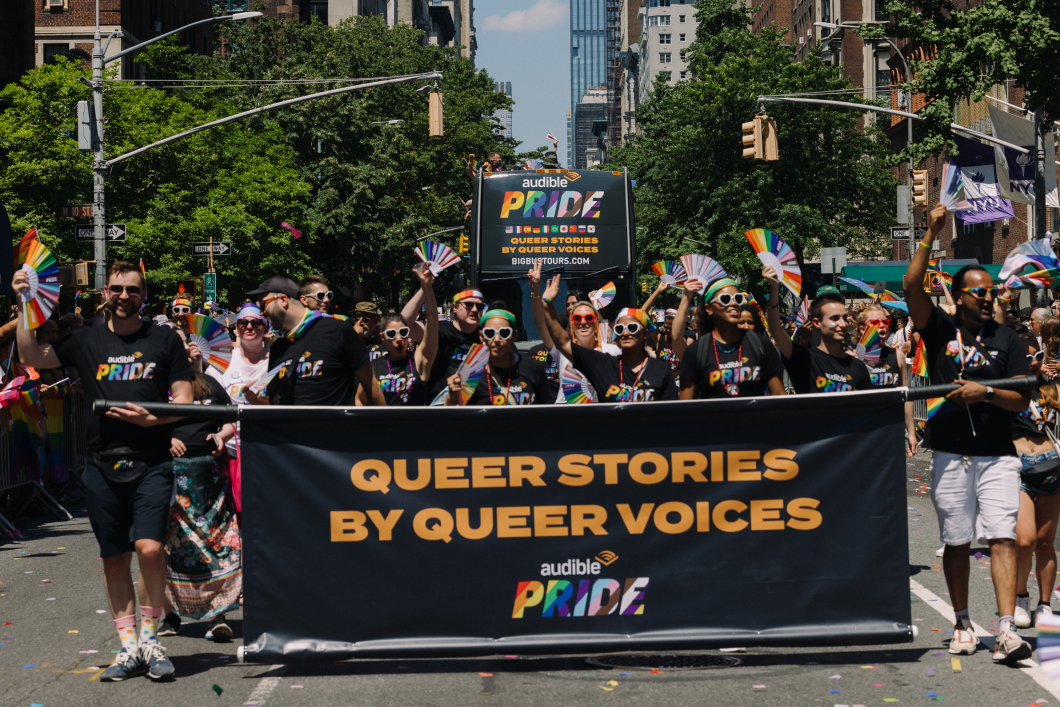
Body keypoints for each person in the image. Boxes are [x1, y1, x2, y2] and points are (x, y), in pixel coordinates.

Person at [12, 260, 194, 681]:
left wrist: (153, 421)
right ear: (106, 293)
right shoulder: (84, 339)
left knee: (149, 549)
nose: (124, 296)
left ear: (144, 294)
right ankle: (128, 648)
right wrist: (24, 302)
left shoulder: (164, 339)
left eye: (132, 289)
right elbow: (29, 354)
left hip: (152, 461)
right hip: (99, 463)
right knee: (114, 559)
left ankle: (152, 640)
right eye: (117, 289)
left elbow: (185, 398)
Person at [906, 203, 1034, 662]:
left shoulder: (1008, 340)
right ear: (959, 296)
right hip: (950, 455)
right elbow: (910, 286)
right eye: (978, 292)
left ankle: (1004, 630)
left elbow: (1023, 398)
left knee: (1002, 537)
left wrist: (987, 394)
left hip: (999, 454)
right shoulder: (938, 330)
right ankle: (961, 621)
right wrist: (931, 232)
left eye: (991, 291)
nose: (987, 297)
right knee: (957, 541)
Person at [160, 329, 239, 642]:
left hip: (209, 478)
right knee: (172, 546)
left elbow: (233, 417)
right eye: (180, 341)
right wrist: (165, 439)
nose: (189, 344)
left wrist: (221, 435)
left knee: (215, 543)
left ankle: (217, 615)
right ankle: (171, 615)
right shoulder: (160, 386)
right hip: (171, 476)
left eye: (190, 340)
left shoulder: (210, 382)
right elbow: (142, 421)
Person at [537, 271, 677, 402]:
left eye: (632, 328)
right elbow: (563, 342)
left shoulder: (661, 371)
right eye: (620, 329)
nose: (626, 333)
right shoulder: (603, 364)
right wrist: (546, 304)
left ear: (645, 333)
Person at [244, 276, 385, 407]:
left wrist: (384, 430)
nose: (261, 313)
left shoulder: (337, 330)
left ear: (283, 300)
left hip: (337, 432)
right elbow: (276, 403)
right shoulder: (278, 349)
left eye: (263, 305)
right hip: (291, 433)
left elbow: (371, 385)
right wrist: (255, 399)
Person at [1009, 334, 1060, 628]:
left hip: (1051, 464)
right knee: (1024, 541)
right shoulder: (1010, 390)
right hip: (1018, 466)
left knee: (1044, 542)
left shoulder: (1053, 389)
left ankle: (1044, 604)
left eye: (1037, 356)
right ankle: (1020, 598)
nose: (1032, 362)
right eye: (1026, 357)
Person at [764, 268, 871, 394]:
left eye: (844, 317)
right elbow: (776, 329)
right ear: (817, 322)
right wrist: (775, 287)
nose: (842, 324)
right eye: (834, 318)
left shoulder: (858, 367)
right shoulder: (805, 359)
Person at [678, 277, 785, 399]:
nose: (733, 303)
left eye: (738, 299)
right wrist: (686, 296)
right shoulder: (695, 352)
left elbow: (779, 396)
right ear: (709, 308)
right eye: (725, 299)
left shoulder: (761, 344)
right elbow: (686, 407)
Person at [529, 263, 621, 401]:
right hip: (565, 418)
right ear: (571, 323)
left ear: (596, 322)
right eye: (577, 318)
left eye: (589, 317)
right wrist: (536, 292)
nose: (583, 322)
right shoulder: (563, 350)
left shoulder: (612, 351)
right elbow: (541, 325)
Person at [444, 306, 556, 405]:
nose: (497, 339)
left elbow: (547, 414)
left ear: (515, 335)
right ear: (481, 336)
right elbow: (456, 420)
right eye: (490, 333)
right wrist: (452, 396)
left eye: (504, 333)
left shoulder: (533, 368)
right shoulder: (469, 373)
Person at [361, 267, 438, 406]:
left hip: (415, 426)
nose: (398, 339)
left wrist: (426, 287)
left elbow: (432, 322)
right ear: (382, 337)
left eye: (403, 332)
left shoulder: (419, 361)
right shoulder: (373, 365)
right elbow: (359, 400)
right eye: (391, 334)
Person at [856, 306, 919, 455]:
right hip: (862, 433)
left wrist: (911, 432)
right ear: (862, 329)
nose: (883, 325)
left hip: (891, 431)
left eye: (885, 321)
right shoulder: (854, 357)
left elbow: (906, 395)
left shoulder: (897, 355)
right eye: (875, 322)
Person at [405, 287, 485, 402]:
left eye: (480, 306)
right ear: (455, 307)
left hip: (478, 409)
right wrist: (424, 287)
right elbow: (403, 327)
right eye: (468, 305)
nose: (474, 309)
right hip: (440, 408)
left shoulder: (488, 336)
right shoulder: (439, 330)